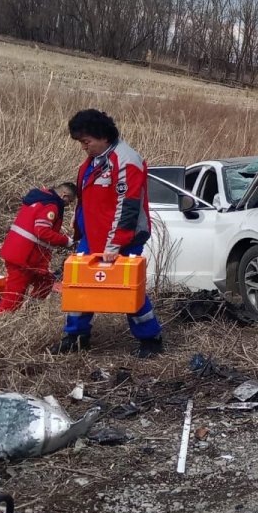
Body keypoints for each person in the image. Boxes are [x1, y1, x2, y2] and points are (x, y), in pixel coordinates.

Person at [50, 109, 164, 357]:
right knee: (79, 286)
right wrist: (78, 226)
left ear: (102, 136)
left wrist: (115, 245)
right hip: (93, 237)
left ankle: (151, 339)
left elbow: (128, 206)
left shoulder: (126, 160)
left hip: (124, 238)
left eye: (86, 141)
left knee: (127, 288)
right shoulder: (92, 162)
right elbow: (88, 201)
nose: (83, 147)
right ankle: (76, 337)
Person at [0, 182, 77, 313]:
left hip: (22, 253)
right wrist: (66, 241)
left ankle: (31, 311)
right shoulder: (51, 206)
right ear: (64, 195)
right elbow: (42, 231)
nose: (68, 205)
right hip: (24, 258)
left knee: (46, 281)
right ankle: (0, 321)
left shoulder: (40, 198)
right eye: (70, 201)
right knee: (14, 295)